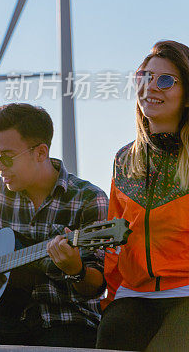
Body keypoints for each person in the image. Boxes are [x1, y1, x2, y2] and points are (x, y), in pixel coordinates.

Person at [0, 103, 108, 348]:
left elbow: (95, 285)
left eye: (6, 157)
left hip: (68, 321)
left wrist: (75, 268)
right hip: (7, 320)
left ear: (40, 152)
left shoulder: (88, 198)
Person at [96, 40, 189, 351]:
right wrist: (111, 298)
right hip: (133, 296)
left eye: (165, 80)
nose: (152, 87)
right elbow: (114, 241)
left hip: (187, 294)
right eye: (144, 77)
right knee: (112, 334)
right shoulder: (124, 160)